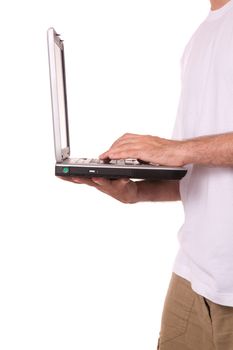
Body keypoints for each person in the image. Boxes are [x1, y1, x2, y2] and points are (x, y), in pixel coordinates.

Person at [59, 0, 233, 348]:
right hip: (192, 275)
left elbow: (183, 152)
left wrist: (175, 148)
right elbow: (198, 172)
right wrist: (136, 192)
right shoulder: (201, 37)